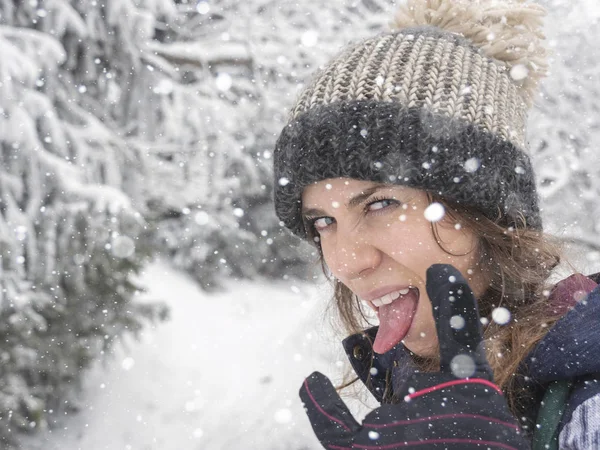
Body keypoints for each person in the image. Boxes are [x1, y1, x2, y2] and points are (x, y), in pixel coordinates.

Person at [272, 0, 600, 448]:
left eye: (381, 203)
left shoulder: (587, 404)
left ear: (486, 216)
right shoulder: (417, 401)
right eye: (324, 222)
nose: (347, 261)